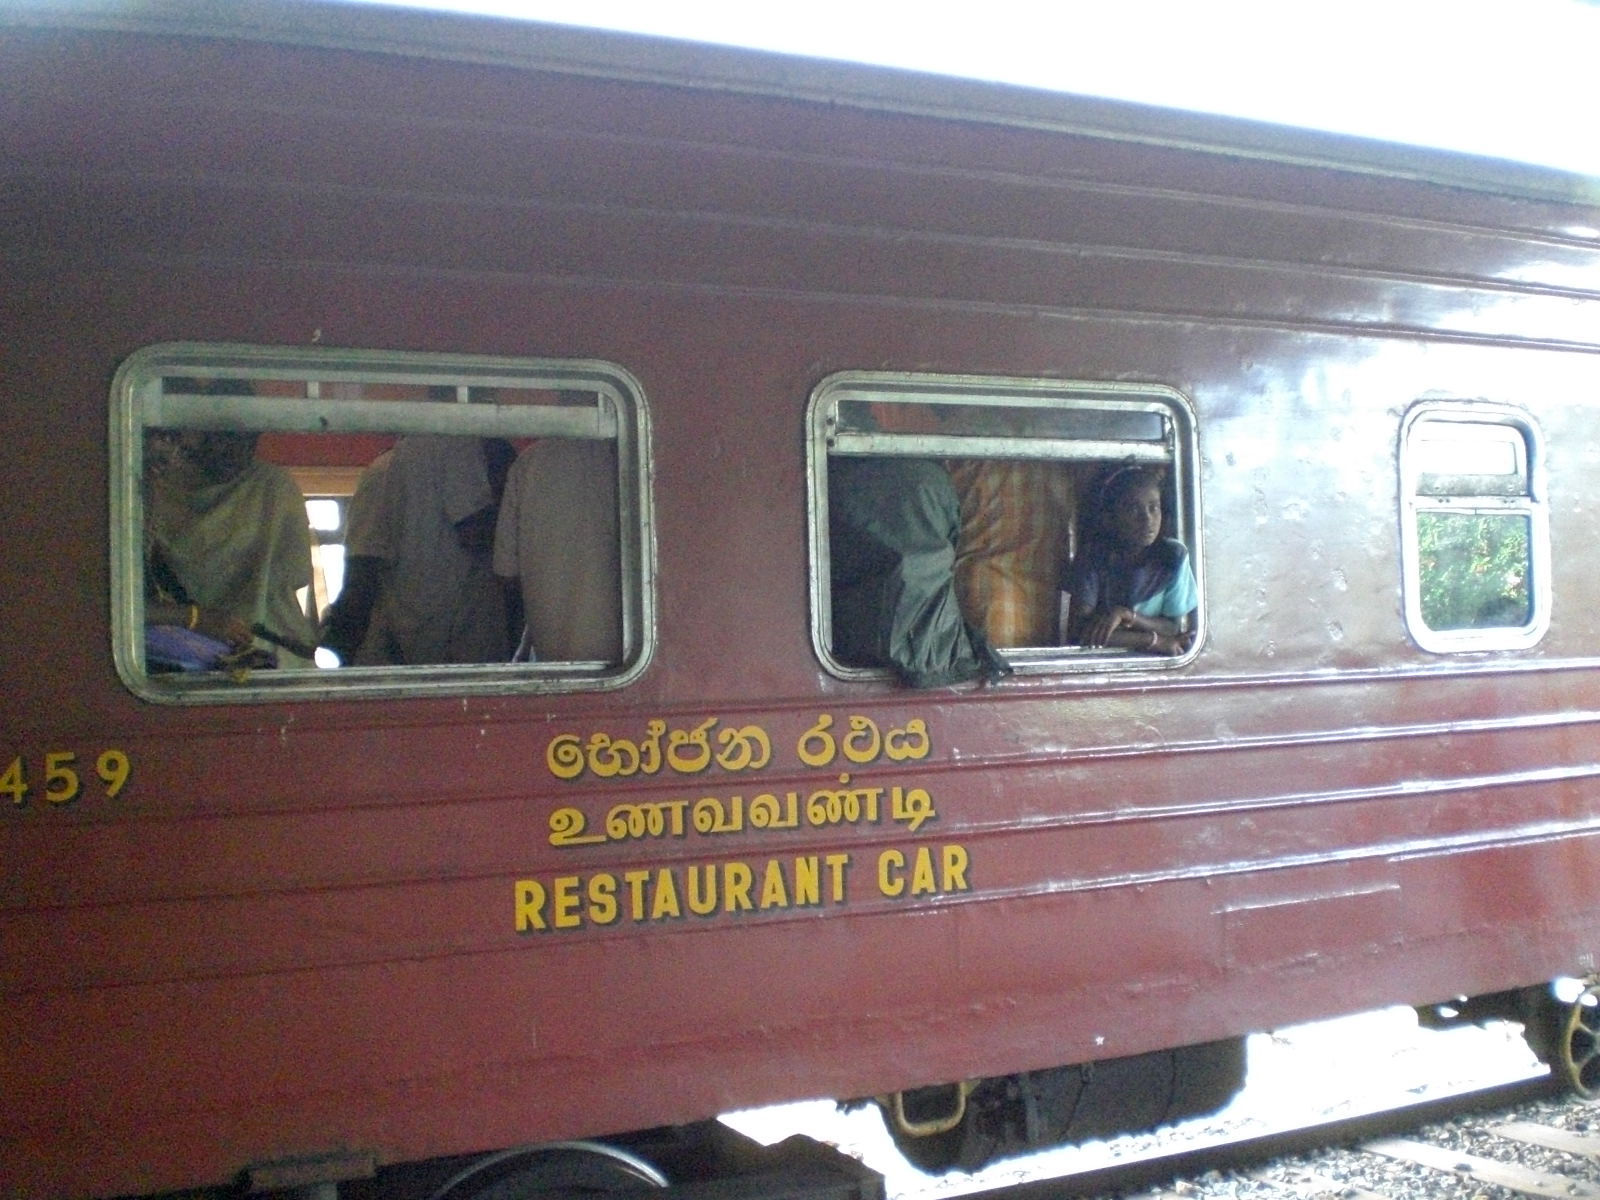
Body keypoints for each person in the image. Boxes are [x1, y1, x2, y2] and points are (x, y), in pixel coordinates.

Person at [145, 379, 318, 669]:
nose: (234, 449)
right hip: (187, 650)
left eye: (246, 438)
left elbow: (294, 575)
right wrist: (198, 617)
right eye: (223, 436)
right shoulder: (154, 489)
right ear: (198, 434)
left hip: (270, 644)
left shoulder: (274, 486)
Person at [356, 420, 515, 666]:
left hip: (411, 621)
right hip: (452, 631)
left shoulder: (398, 456)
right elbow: (474, 529)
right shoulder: (455, 440)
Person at [493, 435, 623, 664]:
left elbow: (506, 572)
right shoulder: (625, 457)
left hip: (553, 656)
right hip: (629, 658)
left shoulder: (529, 463)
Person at [1062, 465, 1196, 656]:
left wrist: (1126, 615)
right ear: (1110, 518)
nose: (1147, 519)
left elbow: (1173, 627)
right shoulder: (1093, 557)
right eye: (1133, 509)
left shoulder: (1173, 556)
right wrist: (1152, 640)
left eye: (1153, 508)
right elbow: (1081, 633)